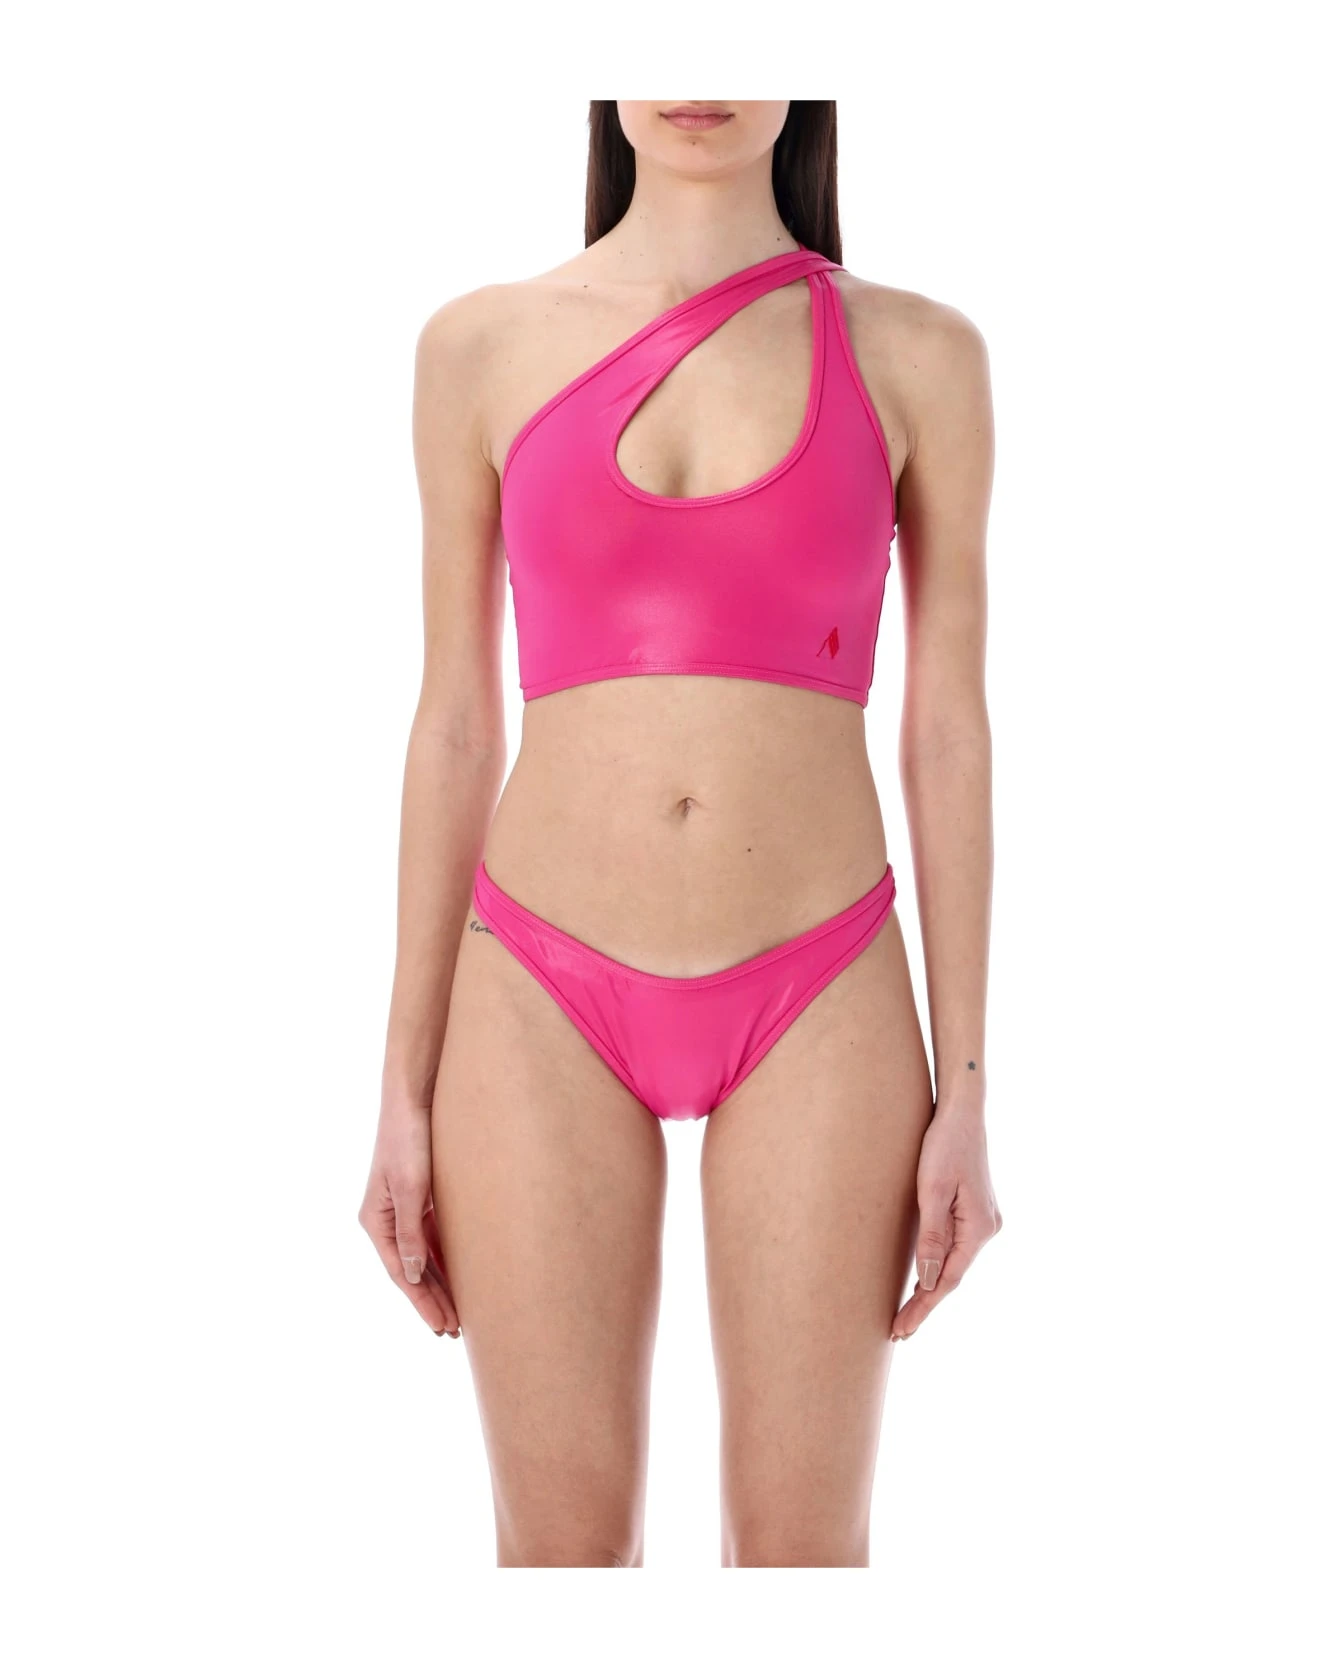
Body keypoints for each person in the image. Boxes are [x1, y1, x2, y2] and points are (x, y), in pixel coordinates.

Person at [358, 99, 1002, 1568]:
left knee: (803, 1561)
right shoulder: (480, 344)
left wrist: (966, 1087)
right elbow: (452, 723)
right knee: (560, 1562)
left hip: (822, 981)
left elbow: (949, 731)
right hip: (536, 986)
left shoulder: (919, 352)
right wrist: (401, 1084)